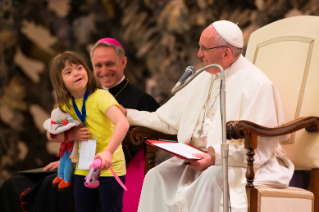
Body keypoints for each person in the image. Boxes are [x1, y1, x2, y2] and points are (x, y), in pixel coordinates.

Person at [120, 20, 294, 212]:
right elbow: (166, 119)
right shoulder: (205, 76)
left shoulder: (257, 84)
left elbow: (261, 147)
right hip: (196, 160)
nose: (199, 54)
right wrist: (128, 114)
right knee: (156, 176)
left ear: (226, 53)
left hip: (238, 165)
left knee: (212, 178)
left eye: (204, 48)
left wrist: (213, 157)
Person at [0, 38, 159, 212]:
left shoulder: (140, 100)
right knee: (13, 184)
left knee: (48, 186)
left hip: (106, 167)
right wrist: (65, 158)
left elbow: (129, 145)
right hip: (80, 162)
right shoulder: (74, 98)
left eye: (110, 64)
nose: (104, 71)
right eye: (98, 65)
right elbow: (59, 131)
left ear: (123, 62)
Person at [48, 51, 129, 211]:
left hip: (109, 166)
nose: (76, 73)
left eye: (79, 67)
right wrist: (71, 135)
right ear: (60, 81)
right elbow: (51, 134)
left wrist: (107, 152)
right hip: (83, 166)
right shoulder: (64, 106)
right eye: (68, 72)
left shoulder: (101, 96)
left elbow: (123, 123)